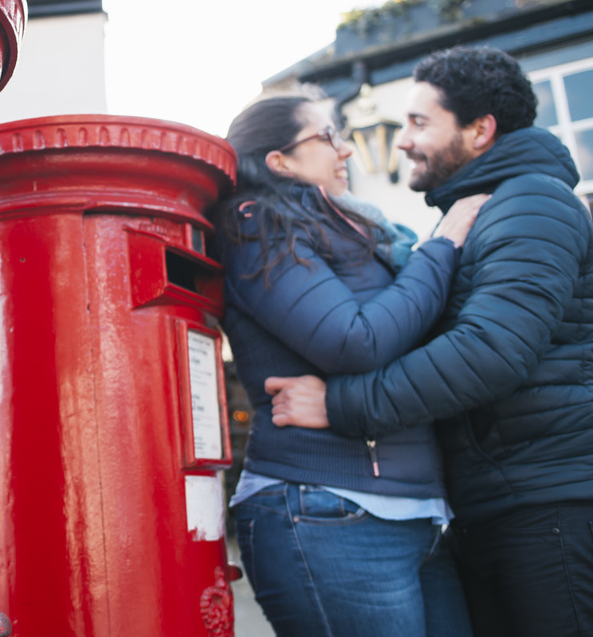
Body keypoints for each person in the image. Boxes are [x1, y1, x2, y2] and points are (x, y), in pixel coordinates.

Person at [267, 45, 593, 637]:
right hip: (507, 499)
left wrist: (340, 403)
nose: (402, 140)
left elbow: (489, 351)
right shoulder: (483, 211)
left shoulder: (531, 203)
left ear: (479, 130)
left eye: (419, 122)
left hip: (550, 504)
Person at [215, 93, 485, 637]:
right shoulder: (257, 224)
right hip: (325, 507)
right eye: (327, 137)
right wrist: (444, 244)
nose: (345, 150)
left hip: (421, 511)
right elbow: (355, 341)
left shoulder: (364, 229)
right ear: (279, 161)